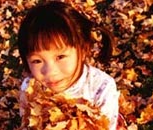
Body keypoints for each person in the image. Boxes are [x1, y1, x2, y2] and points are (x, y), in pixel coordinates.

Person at [17, 1, 120, 130]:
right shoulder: (30, 90)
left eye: (60, 57)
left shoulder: (101, 88)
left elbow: (105, 126)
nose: (50, 72)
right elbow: (28, 121)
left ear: (83, 50)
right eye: (37, 61)